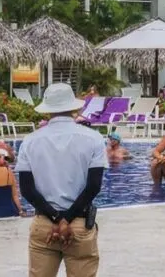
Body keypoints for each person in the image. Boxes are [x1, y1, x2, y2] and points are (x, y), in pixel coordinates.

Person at [17, 82, 107, 277]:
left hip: (44, 223)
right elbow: (93, 187)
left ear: (47, 110)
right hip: (79, 223)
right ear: (74, 107)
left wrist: (56, 218)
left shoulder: (30, 141)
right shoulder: (93, 138)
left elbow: (27, 190)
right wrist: (66, 219)